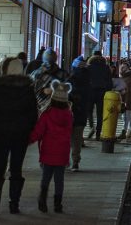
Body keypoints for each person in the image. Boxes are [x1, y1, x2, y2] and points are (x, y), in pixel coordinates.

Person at [0, 57, 37, 215]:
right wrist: (28, 130)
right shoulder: (27, 89)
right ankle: (14, 203)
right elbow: (33, 114)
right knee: (16, 169)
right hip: (20, 134)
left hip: (0, 132)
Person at [30, 82, 73, 214]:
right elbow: (69, 133)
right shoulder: (69, 115)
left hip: (48, 152)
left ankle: (42, 200)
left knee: (46, 178)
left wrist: (27, 140)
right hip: (62, 153)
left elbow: (38, 132)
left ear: (52, 98)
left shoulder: (46, 114)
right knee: (59, 180)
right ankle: (57, 204)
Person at [66, 57, 90, 171]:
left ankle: (65, 161)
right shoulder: (89, 79)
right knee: (77, 138)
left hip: (69, 113)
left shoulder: (70, 79)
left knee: (66, 138)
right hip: (82, 112)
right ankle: (75, 162)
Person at [86, 51, 113, 139]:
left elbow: (85, 79)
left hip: (90, 91)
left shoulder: (89, 67)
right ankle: (98, 133)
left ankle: (91, 127)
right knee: (100, 113)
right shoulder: (106, 67)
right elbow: (109, 82)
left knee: (89, 111)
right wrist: (108, 90)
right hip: (102, 92)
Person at [113, 62, 131, 140]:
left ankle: (125, 131)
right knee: (127, 116)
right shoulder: (124, 76)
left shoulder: (128, 77)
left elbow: (126, 90)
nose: (122, 69)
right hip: (125, 99)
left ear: (128, 68)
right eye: (121, 67)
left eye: (124, 67)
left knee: (126, 116)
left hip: (127, 99)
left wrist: (124, 101)